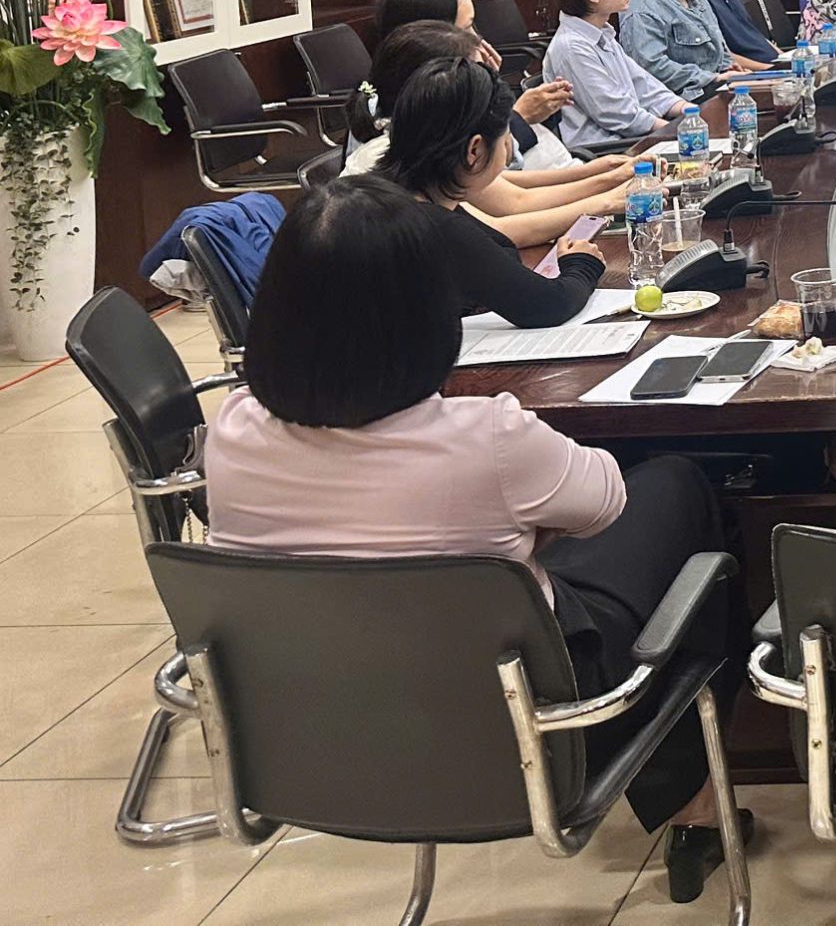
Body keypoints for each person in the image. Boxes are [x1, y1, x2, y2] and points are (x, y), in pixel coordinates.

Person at [204, 176, 747, 903]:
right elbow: (605, 503)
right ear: (428, 310)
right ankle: (696, 808)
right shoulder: (487, 435)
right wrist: (520, 525)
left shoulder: (230, 431)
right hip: (532, 730)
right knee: (675, 487)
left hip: (318, 733)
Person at [347, 21, 630, 244]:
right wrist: (606, 199)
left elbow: (510, 187)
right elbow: (504, 220)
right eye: (467, 25)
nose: (486, 49)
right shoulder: (408, 154)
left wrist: (604, 174)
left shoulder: (420, 140)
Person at [380, 57, 605, 327]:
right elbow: (549, 305)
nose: (509, 151)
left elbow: (496, 246)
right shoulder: (431, 225)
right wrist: (581, 263)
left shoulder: (392, 195)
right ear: (475, 150)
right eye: (506, 139)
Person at [374, 0, 580, 171]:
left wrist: (489, 85)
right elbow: (484, 175)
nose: (477, 39)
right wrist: (518, 115)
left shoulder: (458, 86)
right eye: (466, 28)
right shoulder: (421, 113)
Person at [545, 0, 690, 155]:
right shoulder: (571, 48)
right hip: (607, 149)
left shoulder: (601, 33)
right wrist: (670, 130)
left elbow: (643, 84)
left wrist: (685, 108)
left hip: (631, 136)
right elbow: (613, 112)